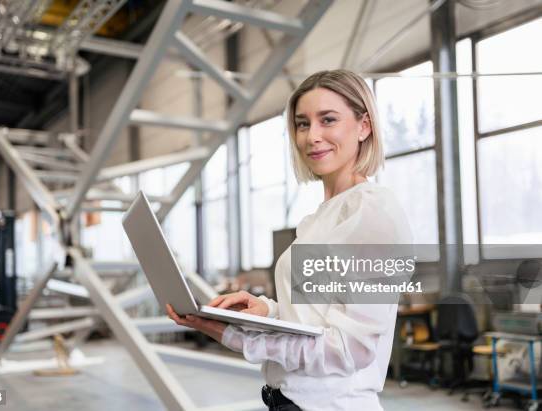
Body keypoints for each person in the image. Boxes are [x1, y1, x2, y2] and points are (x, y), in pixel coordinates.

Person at [167, 69, 413, 411]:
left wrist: (237, 337)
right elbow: (316, 318)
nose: (312, 136)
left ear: (364, 126)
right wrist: (265, 310)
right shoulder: (323, 217)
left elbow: (348, 349)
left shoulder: (373, 214)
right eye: (302, 124)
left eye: (328, 120)